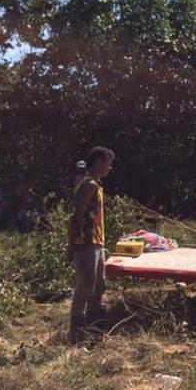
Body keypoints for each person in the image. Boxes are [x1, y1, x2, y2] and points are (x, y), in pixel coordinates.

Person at [67, 146, 114, 345]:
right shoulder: (88, 185)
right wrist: (71, 244)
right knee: (84, 288)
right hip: (86, 243)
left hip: (97, 242)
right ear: (98, 163)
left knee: (98, 287)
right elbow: (77, 216)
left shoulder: (97, 185)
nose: (109, 168)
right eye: (107, 163)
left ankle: (93, 329)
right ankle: (76, 334)